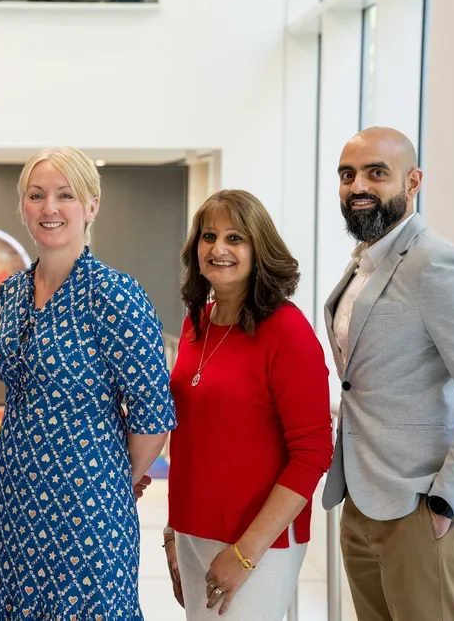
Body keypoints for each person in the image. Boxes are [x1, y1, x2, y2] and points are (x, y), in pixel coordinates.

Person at [322, 127, 454, 621]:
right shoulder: (362, 265)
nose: (358, 186)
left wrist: (446, 503)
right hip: (362, 502)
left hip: (421, 508)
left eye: (376, 173)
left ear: (413, 182)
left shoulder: (438, 266)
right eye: (348, 175)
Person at [0, 147, 176, 619]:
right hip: (16, 503)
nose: (49, 208)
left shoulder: (114, 294)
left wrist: (109, 481)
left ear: (91, 205)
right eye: (36, 195)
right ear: (23, 207)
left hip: (88, 512)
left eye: (65, 195)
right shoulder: (13, 291)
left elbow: (153, 414)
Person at [163, 190, 333, 620]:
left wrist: (245, 552)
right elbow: (191, 435)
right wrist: (172, 529)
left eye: (235, 238)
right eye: (208, 236)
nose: (218, 248)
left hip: (258, 541)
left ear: (260, 251)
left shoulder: (287, 331)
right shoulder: (195, 323)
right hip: (192, 528)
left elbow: (313, 453)